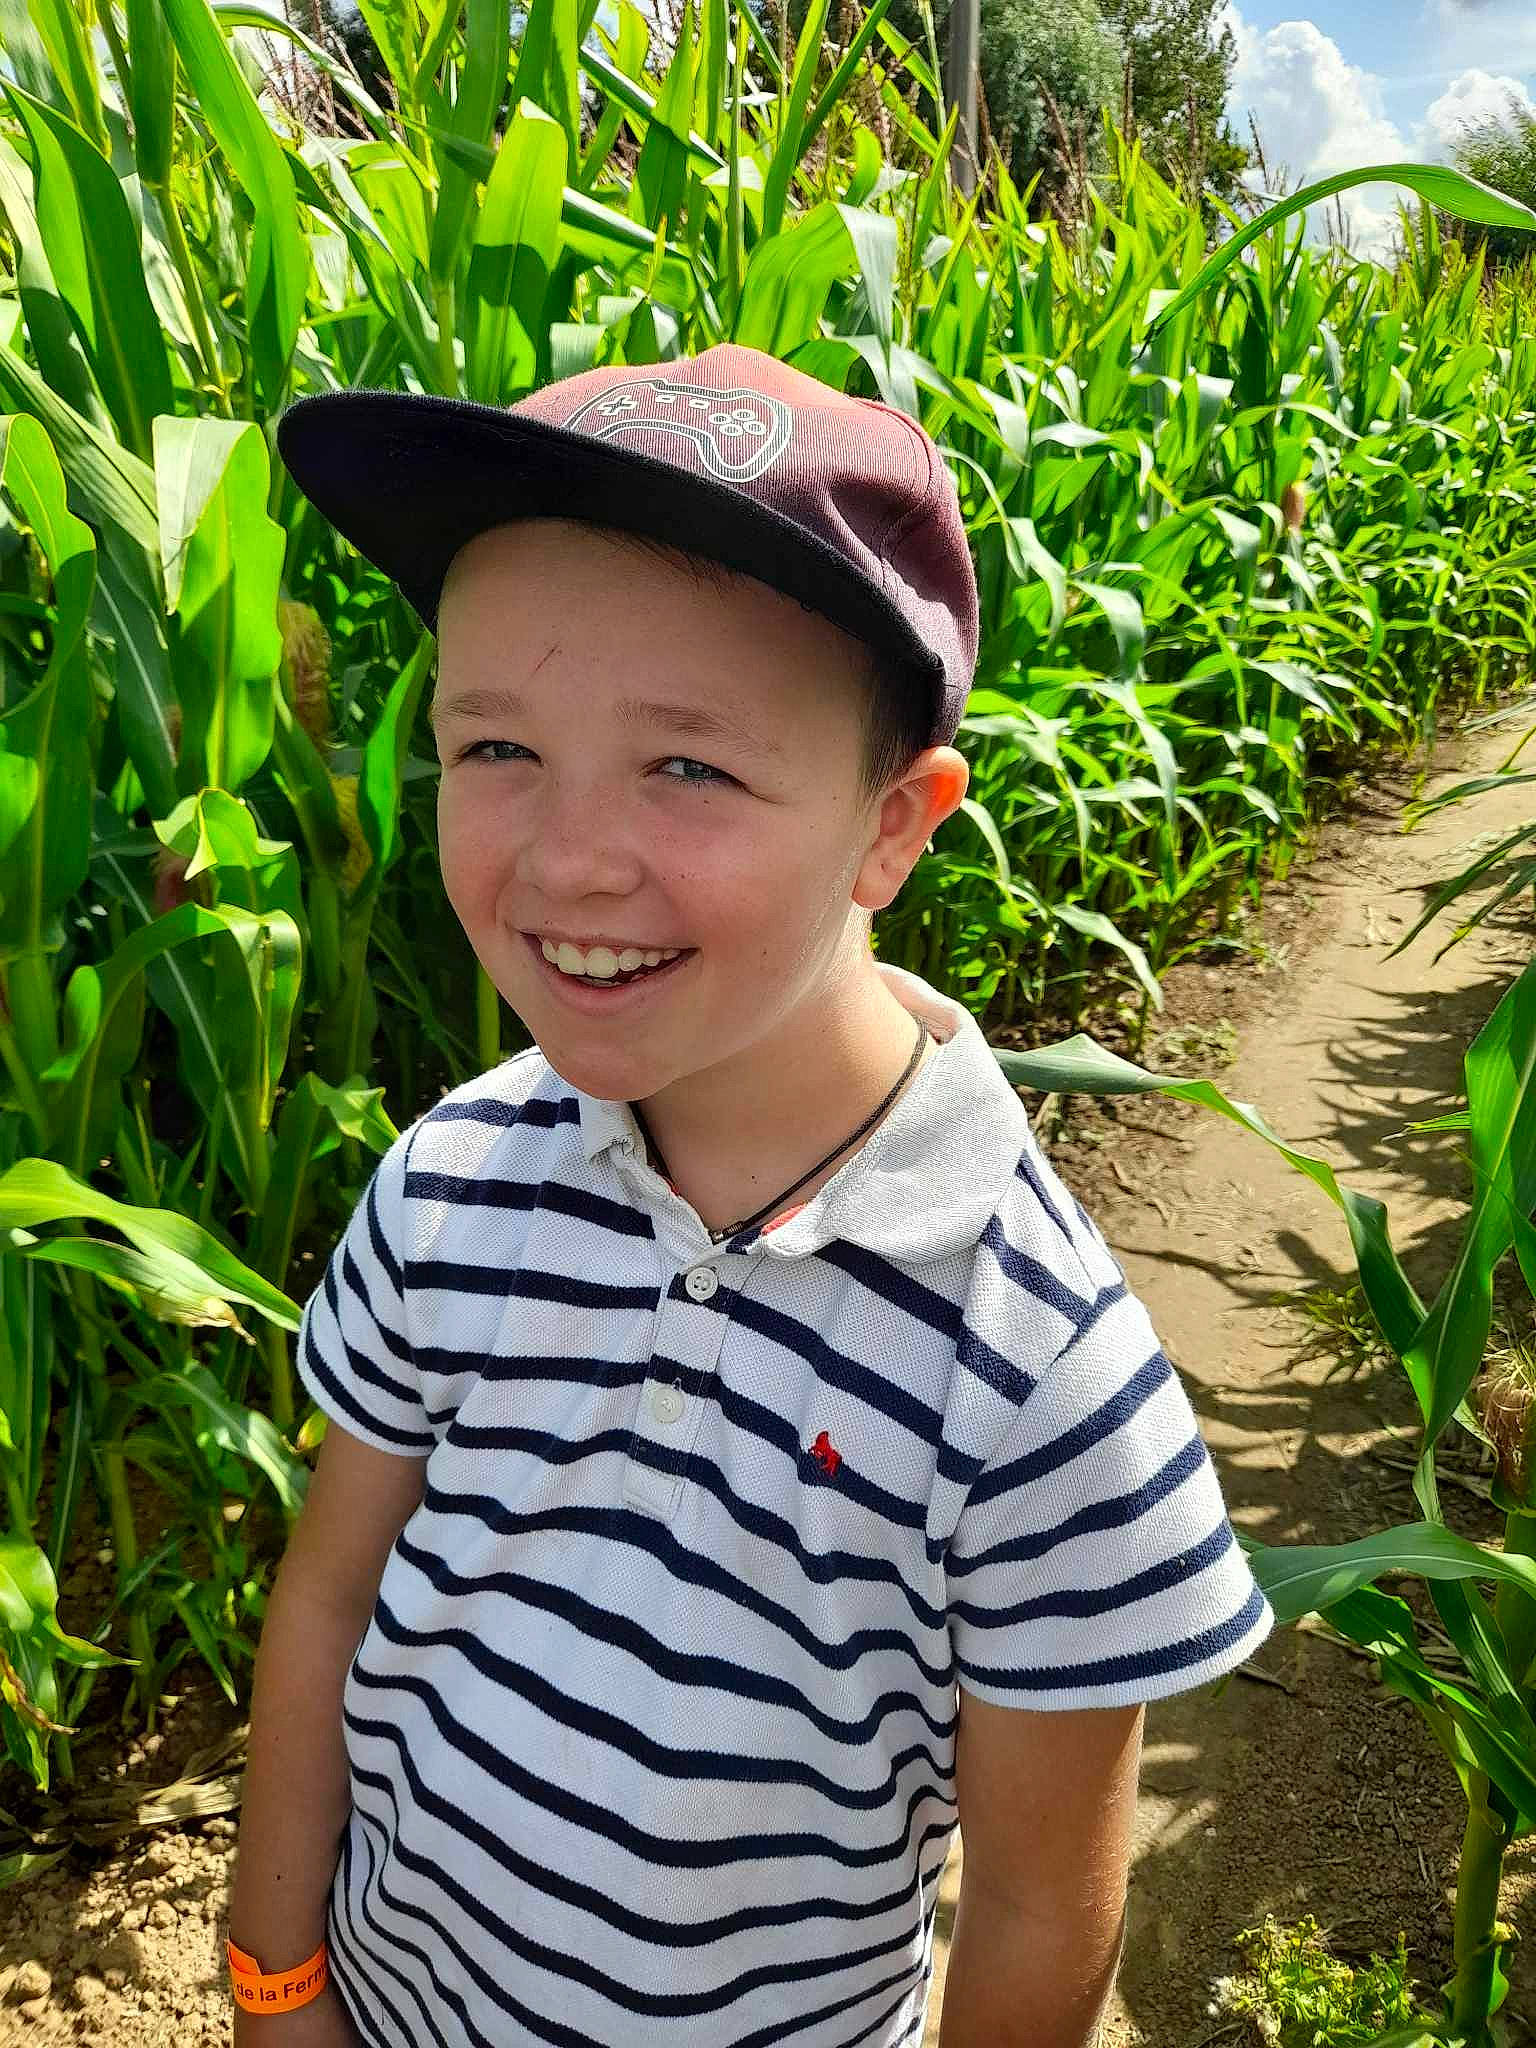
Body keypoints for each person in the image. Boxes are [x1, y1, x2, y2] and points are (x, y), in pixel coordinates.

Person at [229, 343, 1273, 2048]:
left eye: (689, 769)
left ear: (892, 828)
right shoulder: (453, 1184)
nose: (565, 860)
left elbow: (1033, 1907)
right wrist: (278, 1993)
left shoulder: (1034, 1373)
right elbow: (333, 1598)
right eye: (495, 746)